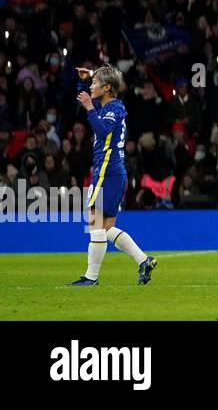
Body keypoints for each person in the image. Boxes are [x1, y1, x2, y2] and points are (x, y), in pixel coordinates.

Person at [67, 66, 158, 287]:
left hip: (107, 171)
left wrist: (89, 106)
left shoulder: (113, 108)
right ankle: (143, 260)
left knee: (95, 224)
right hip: (113, 172)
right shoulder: (108, 105)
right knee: (105, 229)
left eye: (95, 83)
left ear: (107, 88)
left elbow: (101, 130)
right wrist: (83, 82)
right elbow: (86, 100)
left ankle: (91, 277)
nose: (91, 86)